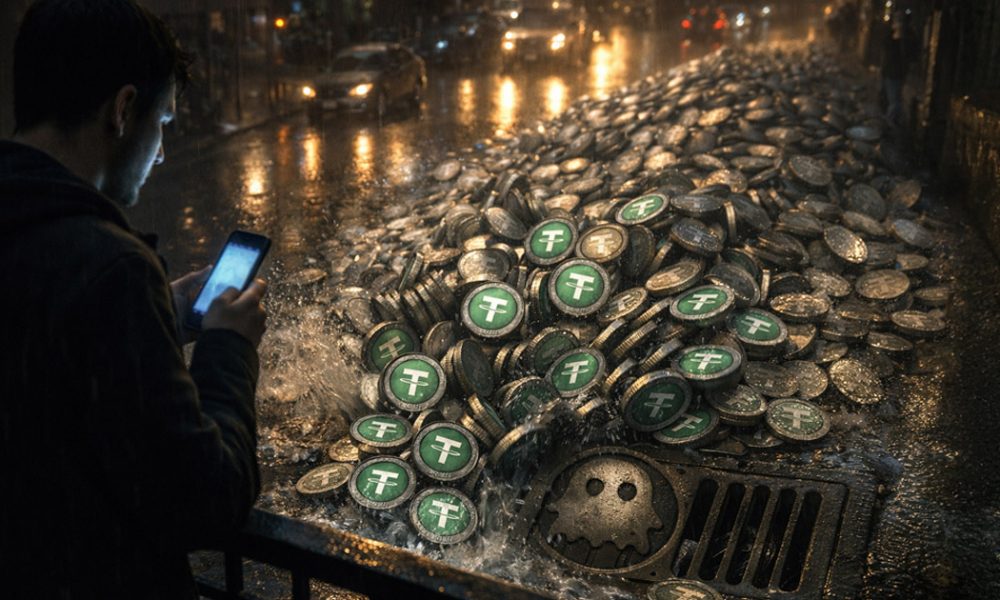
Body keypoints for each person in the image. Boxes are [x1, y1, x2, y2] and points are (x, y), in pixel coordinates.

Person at [0, 1, 268, 598]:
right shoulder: (110, 268)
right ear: (123, 111)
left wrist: (162, 313)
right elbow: (206, 498)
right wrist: (228, 346)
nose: (163, 151)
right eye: (164, 124)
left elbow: (46, 362)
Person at [880, 8, 917, 128]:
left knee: (896, 100)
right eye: (897, 20)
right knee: (894, 101)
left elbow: (910, 56)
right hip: (890, 73)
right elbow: (886, 54)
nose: (898, 23)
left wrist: (902, 39)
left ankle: (889, 122)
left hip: (899, 73)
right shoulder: (889, 37)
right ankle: (889, 122)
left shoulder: (909, 37)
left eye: (901, 20)